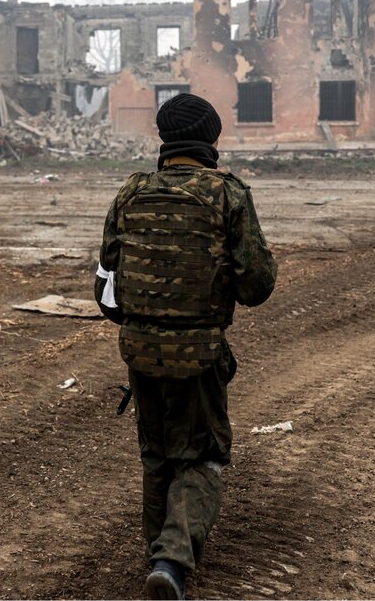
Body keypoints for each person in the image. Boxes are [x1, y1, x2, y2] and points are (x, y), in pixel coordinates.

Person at [95, 93, 276, 600]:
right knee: (204, 457)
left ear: (164, 139)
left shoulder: (130, 194)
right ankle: (172, 561)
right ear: (212, 141)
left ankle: (158, 554)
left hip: (140, 352)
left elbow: (105, 290)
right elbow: (257, 286)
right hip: (199, 356)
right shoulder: (228, 195)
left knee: (157, 456)